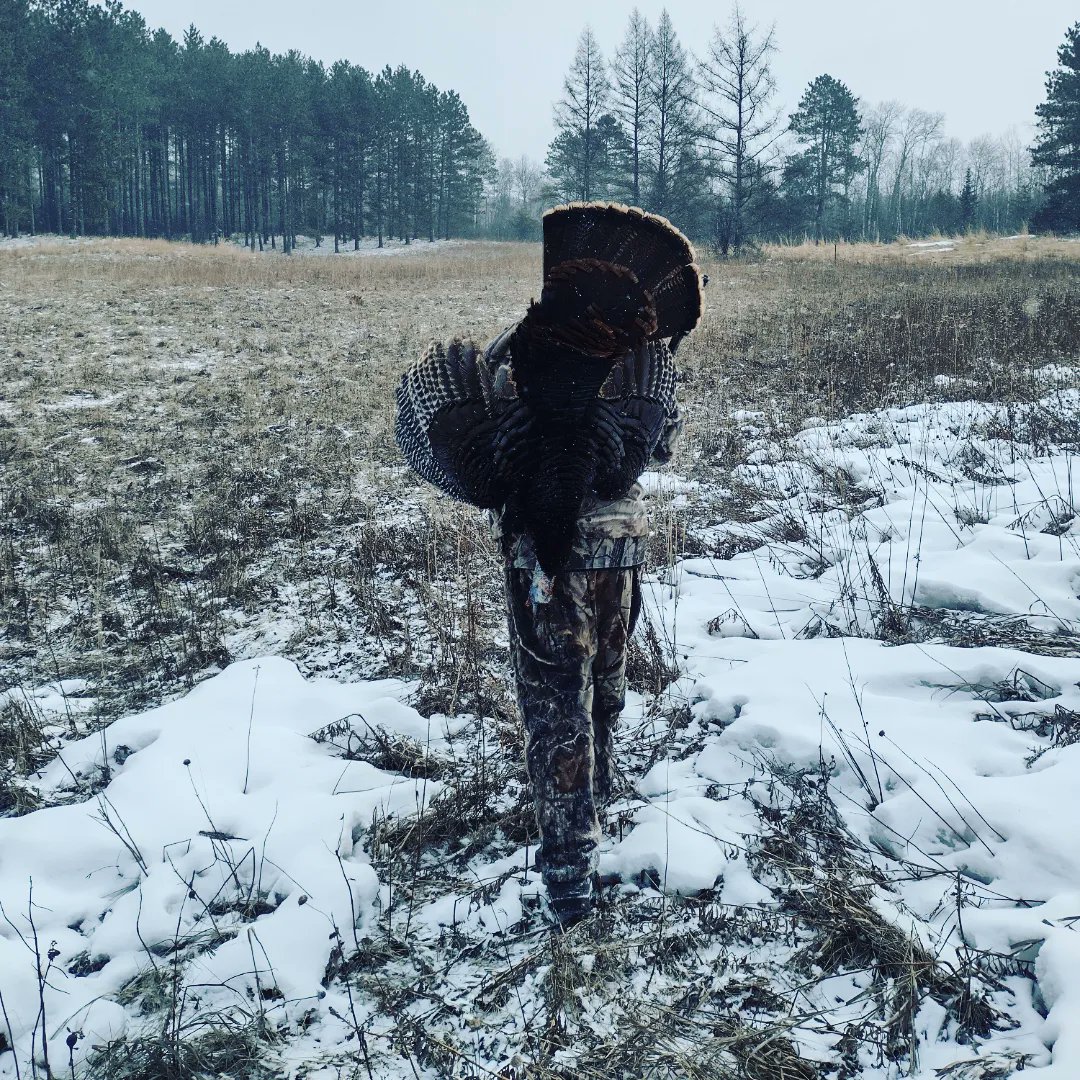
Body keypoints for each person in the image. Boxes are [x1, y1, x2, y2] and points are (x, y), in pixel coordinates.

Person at [395, 201, 701, 927]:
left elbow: (468, 442)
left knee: (554, 706)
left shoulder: (511, 353)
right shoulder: (633, 353)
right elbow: (659, 450)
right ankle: (598, 794)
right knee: (605, 686)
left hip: (543, 565)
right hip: (616, 552)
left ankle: (568, 879)